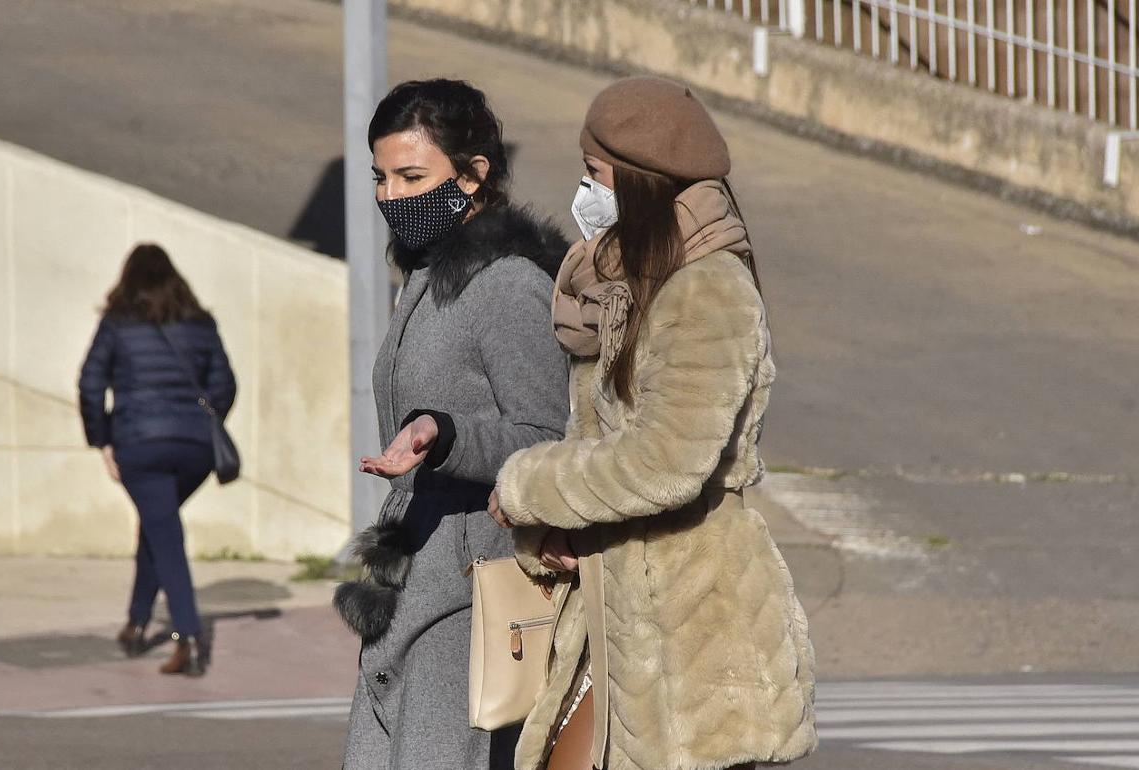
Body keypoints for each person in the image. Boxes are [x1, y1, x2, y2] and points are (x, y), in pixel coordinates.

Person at [488, 77, 817, 770]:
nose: (583, 191)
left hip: (694, 624)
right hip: (611, 610)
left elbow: (667, 459)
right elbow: (598, 444)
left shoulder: (707, 288)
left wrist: (528, 487)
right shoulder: (622, 287)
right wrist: (552, 531)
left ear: (641, 183)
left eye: (596, 174)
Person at [335, 79, 570, 770]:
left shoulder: (506, 286)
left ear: (473, 175)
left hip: (472, 593)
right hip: (407, 585)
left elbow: (550, 440)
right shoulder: (427, 278)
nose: (391, 195)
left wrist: (448, 433)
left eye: (413, 176)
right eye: (381, 177)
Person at [78, 243, 236, 677]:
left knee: (164, 532)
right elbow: (225, 384)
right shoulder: (201, 323)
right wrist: (201, 423)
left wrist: (102, 441)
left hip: (139, 446)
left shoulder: (117, 324)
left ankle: (188, 636)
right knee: (158, 524)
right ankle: (135, 623)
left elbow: (90, 385)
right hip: (195, 450)